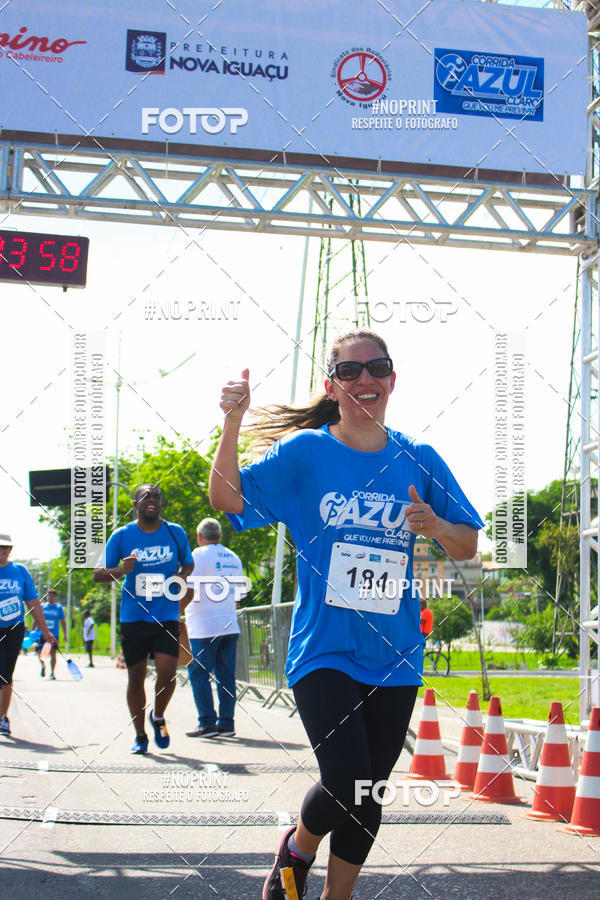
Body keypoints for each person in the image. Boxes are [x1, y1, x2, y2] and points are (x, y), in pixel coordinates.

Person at [209, 330, 484, 900]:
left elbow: (467, 544)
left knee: (369, 792)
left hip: (395, 652)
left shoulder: (419, 458)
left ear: (392, 379)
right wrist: (232, 423)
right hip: (324, 649)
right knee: (345, 778)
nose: (365, 379)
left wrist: (436, 525)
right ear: (332, 386)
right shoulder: (306, 453)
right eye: (351, 371)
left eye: (377, 368)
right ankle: (298, 848)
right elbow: (227, 499)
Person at [94, 484, 194, 753]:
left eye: (156, 496)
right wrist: (120, 569)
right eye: (145, 496)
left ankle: (158, 716)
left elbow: (188, 562)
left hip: (166, 614)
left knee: (168, 673)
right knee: (136, 677)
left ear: (161, 503)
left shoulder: (175, 532)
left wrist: (182, 576)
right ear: (135, 504)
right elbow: (98, 574)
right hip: (134, 617)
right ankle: (140, 735)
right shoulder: (122, 535)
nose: (152, 500)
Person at [185, 517, 246, 739]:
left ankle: (207, 722)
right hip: (229, 624)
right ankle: (227, 723)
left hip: (204, 626)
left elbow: (189, 589)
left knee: (199, 673)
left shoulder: (198, 555)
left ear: (199, 536)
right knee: (226, 676)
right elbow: (238, 596)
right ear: (219, 536)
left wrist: (176, 612)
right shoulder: (234, 557)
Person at [0, 532, 57, 735]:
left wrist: (45, 631)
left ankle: (3, 717)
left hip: (14, 629)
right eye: (0, 547)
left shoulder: (20, 571)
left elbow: (32, 602)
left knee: (6, 674)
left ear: (10, 550)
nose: (3, 551)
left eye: (6, 548)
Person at [38, 589, 66, 680]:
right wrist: (33, 630)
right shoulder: (42, 606)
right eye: (49, 595)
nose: (50, 597)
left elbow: (63, 622)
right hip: (43, 634)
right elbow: (37, 618)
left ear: (55, 597)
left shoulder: (59, 608)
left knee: (53, 653)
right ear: (46, 597)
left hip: (54, 635)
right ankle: (43, 665)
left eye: (52, 596)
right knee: (39, 652)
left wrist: (65, 634)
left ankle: (52, 673)